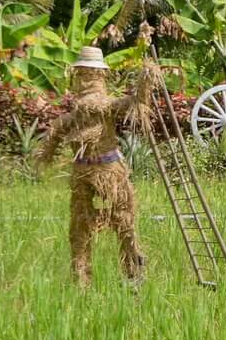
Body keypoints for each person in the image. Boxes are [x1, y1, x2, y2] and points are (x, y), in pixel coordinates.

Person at [39, 45, 162, 284]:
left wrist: (147, 78)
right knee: (79, 228)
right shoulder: (73, 118)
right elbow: (55, 133)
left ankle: (133, 272)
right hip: (83, 173)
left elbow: (136, 104)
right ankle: (81, 278)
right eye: (83, 74)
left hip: (110, 171)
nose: (86, 79)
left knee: (125, 221)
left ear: (100, 76)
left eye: (91, 74)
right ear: (76, 76)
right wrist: (47, 152)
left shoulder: (106, 107)